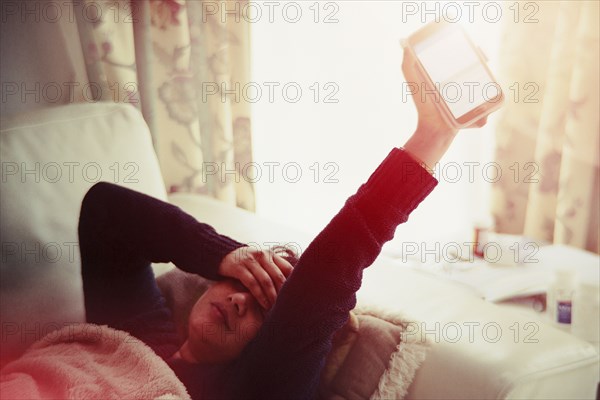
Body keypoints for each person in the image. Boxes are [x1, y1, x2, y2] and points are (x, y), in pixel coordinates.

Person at [78, 48, 488, 400]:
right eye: (244, 284)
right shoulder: (137, 339)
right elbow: (105, 211)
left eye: (264, 306)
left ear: (271, 341)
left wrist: (433, 134)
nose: (240, 299)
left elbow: (323, 283)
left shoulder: (256, 388)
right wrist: (224, 254)